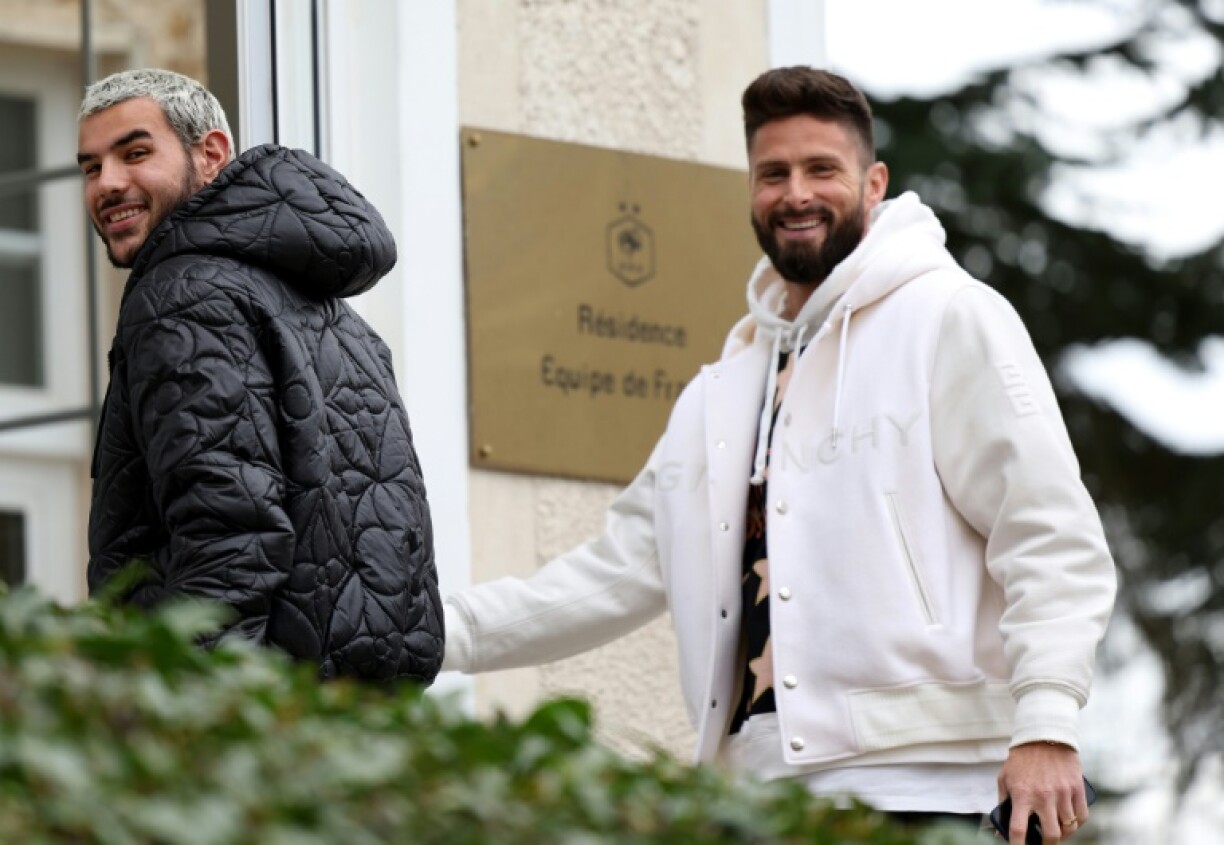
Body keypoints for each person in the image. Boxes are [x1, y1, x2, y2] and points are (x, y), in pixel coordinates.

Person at [441, 66, 1116, 840]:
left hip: (931, 791)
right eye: (773, 174)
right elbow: (610, 573)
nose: (796, 193)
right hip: (756, 803)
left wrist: (1047, 723)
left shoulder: (950, 317)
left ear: (873, 184)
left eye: (822, 169)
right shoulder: (717, 395)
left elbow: (1050, 537)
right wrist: (433, 633)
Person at [80, 68, 443, 684]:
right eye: (91, 167)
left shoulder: (181, 295)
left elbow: (227, 537)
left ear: (211, 154)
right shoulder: (323, 309)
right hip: (351, 718)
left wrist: (190, 713)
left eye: (135, 153)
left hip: (252, 721)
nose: (108, 184)